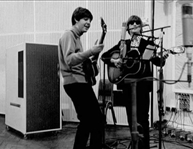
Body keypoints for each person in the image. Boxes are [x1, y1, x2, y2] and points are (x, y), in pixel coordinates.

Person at [101, 15, 168, 149]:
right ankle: (135, 145)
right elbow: (104, 56)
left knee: (143, 119)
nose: (135, 25)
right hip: (127, 86)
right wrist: (115, 61)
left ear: (141, 28)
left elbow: (159, 62)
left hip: (143, 86)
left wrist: (161, 58)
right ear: (128, 29)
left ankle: (144, 147)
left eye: (138, 23)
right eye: (132, 23)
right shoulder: (123, 44)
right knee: (131, 119)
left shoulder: (148, 44)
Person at [58, 7, 104, 149]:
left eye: (90, 20)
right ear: (76, 20)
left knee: (87, 121)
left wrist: (91, 61)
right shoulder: (69, 35)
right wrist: (90, 51)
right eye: (85, 19)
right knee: (96, 120)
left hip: (79, 82)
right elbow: (70, 60)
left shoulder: (76, 38)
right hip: (75, 83)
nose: (88, 22)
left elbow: (79, 63)